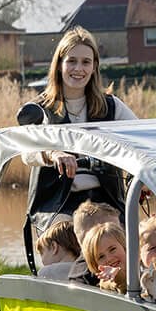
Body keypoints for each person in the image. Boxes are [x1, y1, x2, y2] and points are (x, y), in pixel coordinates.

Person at [21, 26, 138, 263]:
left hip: (105, 198)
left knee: (123, 248)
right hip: (57, 202)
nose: (78, 69)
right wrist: (53, 154)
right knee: (65, 244)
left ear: (94, 66)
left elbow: (141, 138)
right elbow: (27, 150)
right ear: (59, 64)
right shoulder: (41, 108)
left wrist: (144, 176)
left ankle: (130, 293)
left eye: (86, 62)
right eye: (71, 61)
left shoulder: (111, 106)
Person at [80, 221, 128, 294]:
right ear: (95, 264)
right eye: (101, 257)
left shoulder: (142, 265)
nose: (109, 259)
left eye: (112, 249)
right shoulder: (105, 283)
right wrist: (117, 275)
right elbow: (124, 289)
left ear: (124, 246)